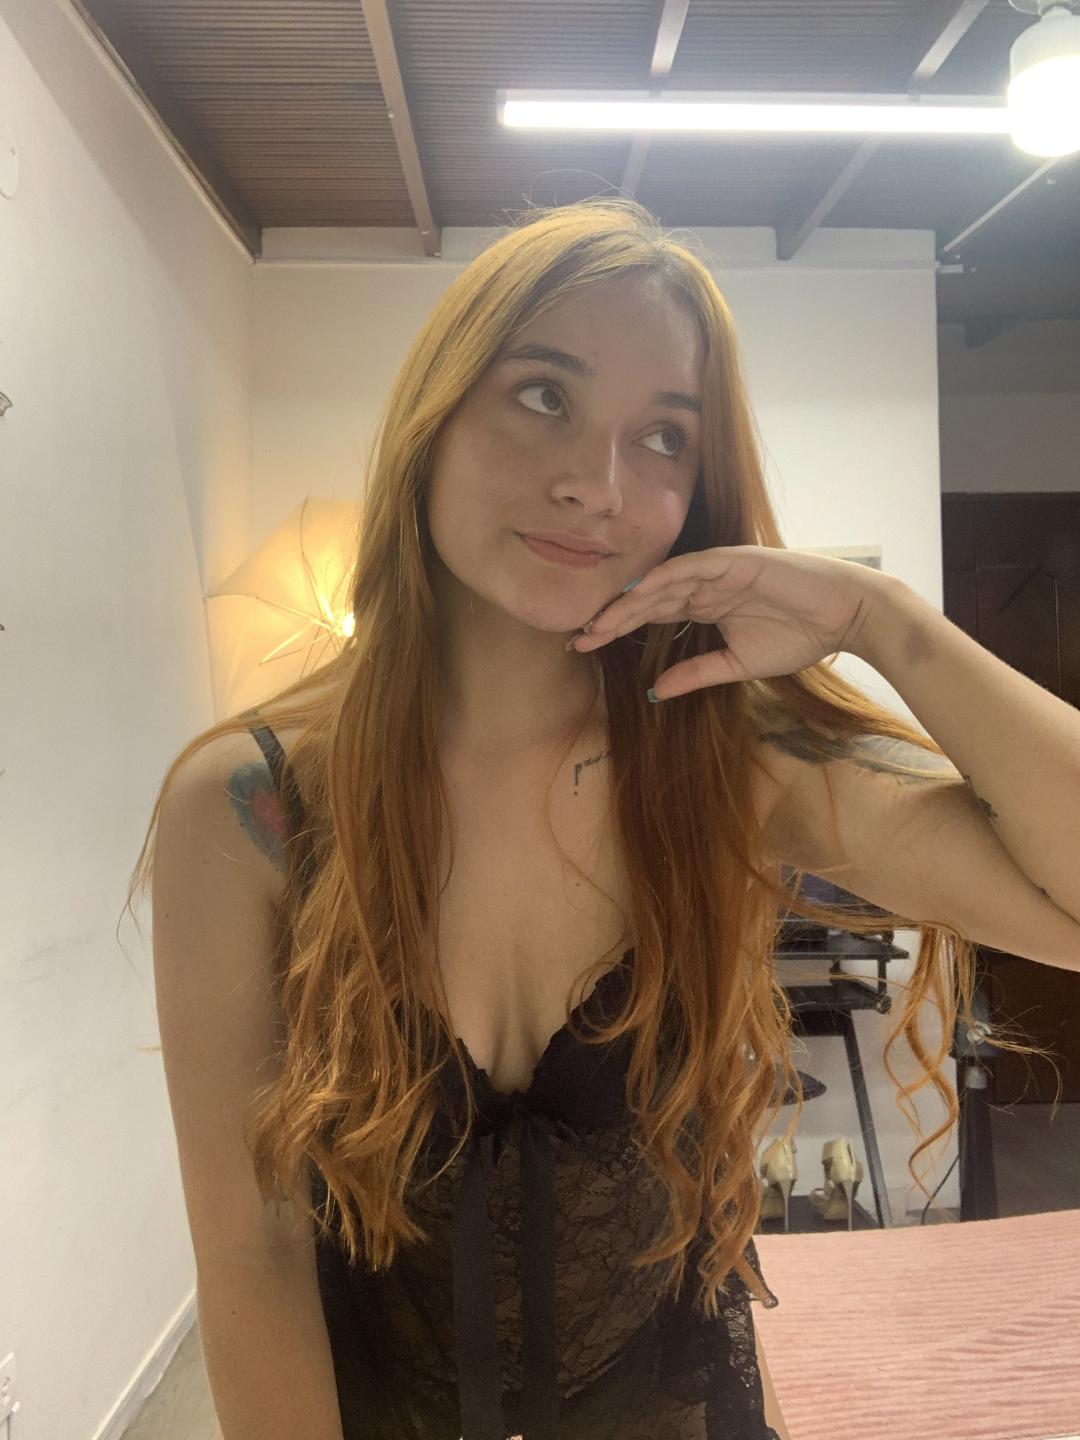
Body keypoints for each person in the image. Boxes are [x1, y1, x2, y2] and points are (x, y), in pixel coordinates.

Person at [134, 196, 989, 1440]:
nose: (597, 485)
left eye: (664, 437)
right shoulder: (251, 806)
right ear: (432, 417)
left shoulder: (729, 765)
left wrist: (886, 621)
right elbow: (249, 1256)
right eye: (544, 396)